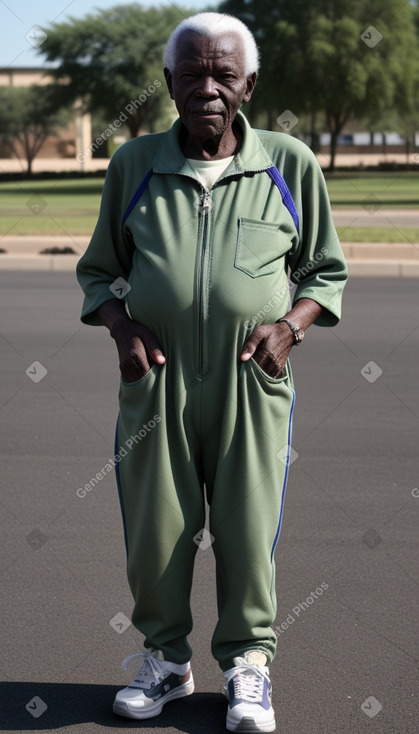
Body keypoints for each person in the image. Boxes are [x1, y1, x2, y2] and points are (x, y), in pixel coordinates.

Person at [76, 11, 348, 733]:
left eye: (222, 74)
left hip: (250, 384)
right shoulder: (133, 165)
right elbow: (100, 272)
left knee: (245, 526)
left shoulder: (288, 162)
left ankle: (247, 669)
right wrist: (120, 327)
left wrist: (289, 328)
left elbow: (325, 271)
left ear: (248, 84)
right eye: (190, 74)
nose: (206, 88)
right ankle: (164, 662)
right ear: (167, 84)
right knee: (157, 530)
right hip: (156, 384)